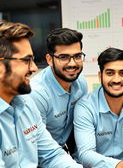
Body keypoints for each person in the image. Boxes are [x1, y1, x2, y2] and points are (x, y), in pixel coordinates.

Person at [0, 20, 115, 168]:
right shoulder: (37, 94)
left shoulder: (25, 104)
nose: (33, 68)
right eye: (26, 60)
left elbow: (51, 154)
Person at [29, 27, 87, 155]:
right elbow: (37, 145)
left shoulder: (81, 83)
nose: (72, 64)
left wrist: (81, 159)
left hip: (63, 152)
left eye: (77, 56)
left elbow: (78, 127)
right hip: (41, 157)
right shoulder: (37, 93)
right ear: (49, 60)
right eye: (64, 57)